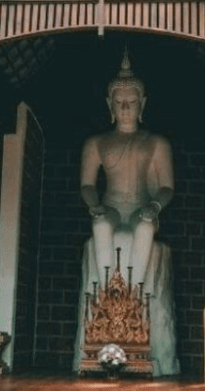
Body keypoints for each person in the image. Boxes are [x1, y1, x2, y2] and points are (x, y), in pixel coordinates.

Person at [80, 53, 173, 287]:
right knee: (100, 225)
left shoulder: (156, 142)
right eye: (118, 102)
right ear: (108, 104)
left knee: (143, 227)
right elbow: (87, 184)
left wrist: (154, 206)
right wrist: (94, 206)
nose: (124, 108)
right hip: (110, 206)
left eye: (131, 102)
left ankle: (135, 296)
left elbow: (166, 187)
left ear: (142, 104)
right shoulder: (96, 143)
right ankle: (106, 294)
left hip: (141, 207)